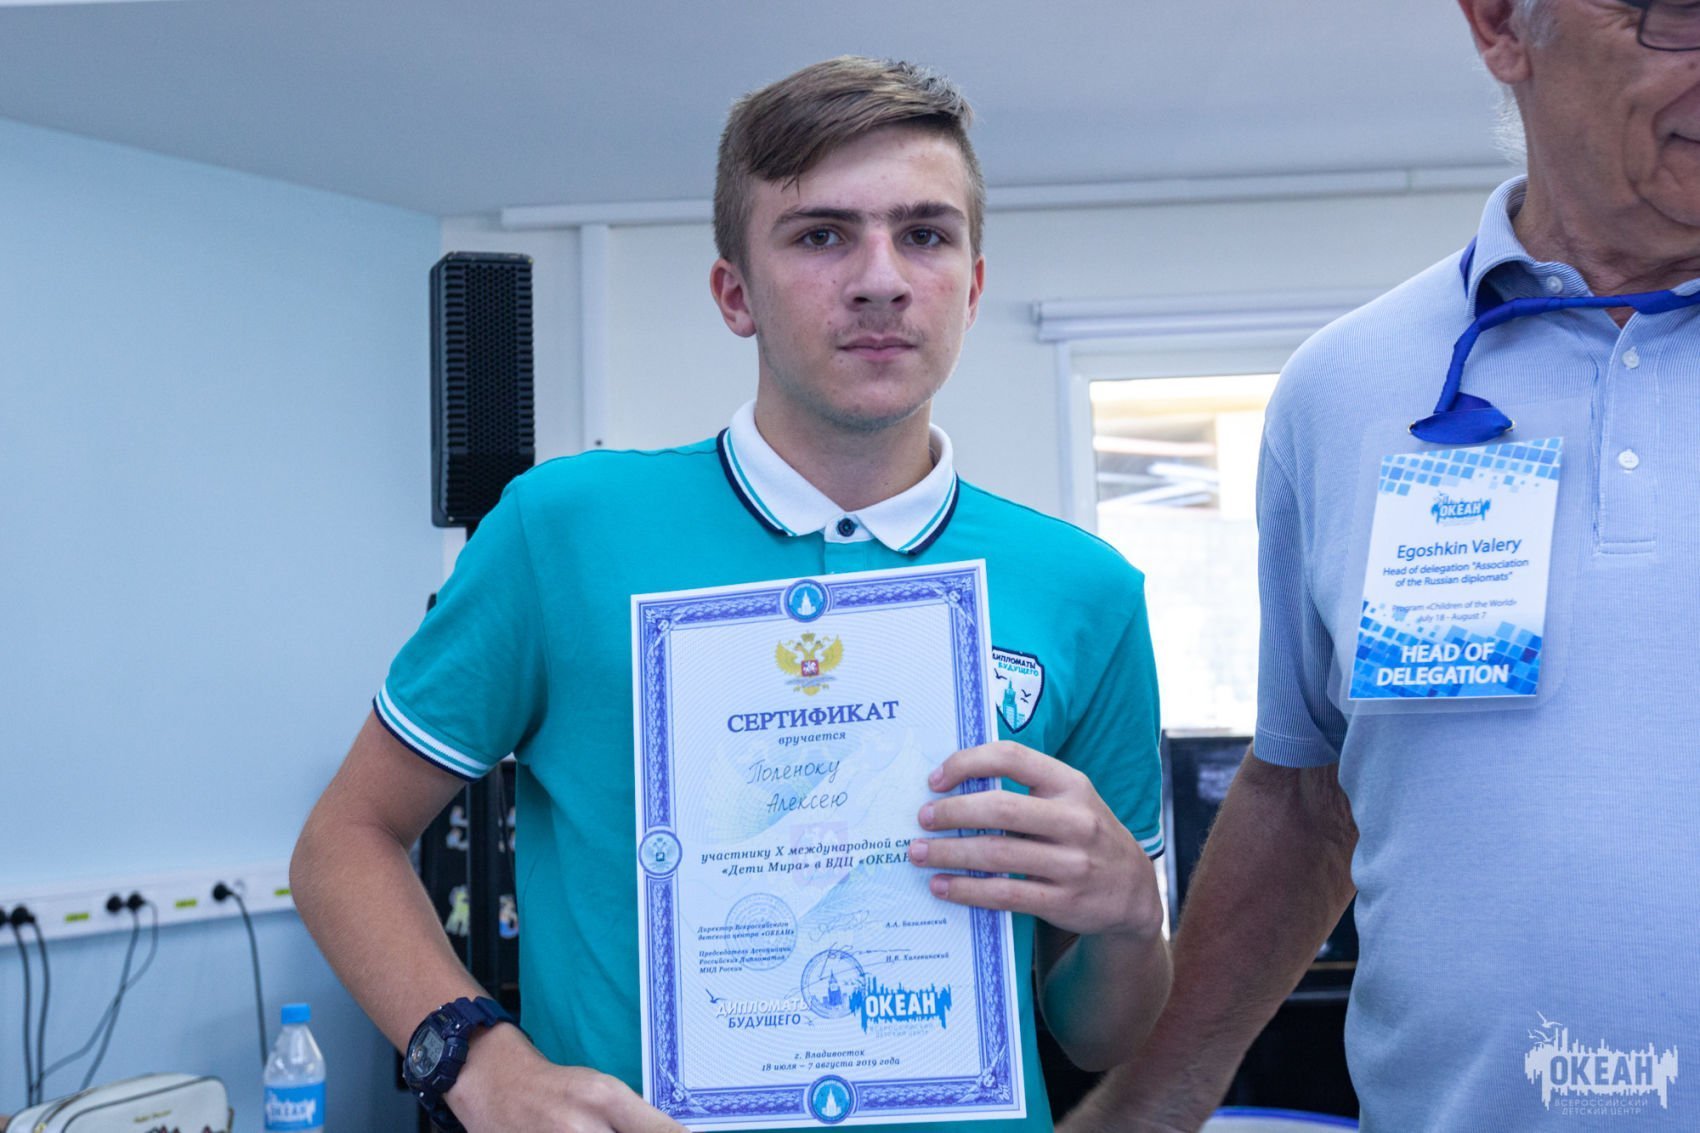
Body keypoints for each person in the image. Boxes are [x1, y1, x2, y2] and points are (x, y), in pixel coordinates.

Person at [291, 56, 1172, 1133]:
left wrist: (1133, 921)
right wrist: (481, 1063)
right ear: (734, 294)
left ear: (973, 286)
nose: (881, 279)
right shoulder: (562, 530)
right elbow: (344, 839)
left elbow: (1096, 1034)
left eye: (924, 234)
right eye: (821, 235)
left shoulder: (1086, 589)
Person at [1062, 1, 1700, 1130]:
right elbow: (1306, 793)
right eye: (1671, 10)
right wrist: (1146, 1106)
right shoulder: (1346, 387)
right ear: (1501, 24)